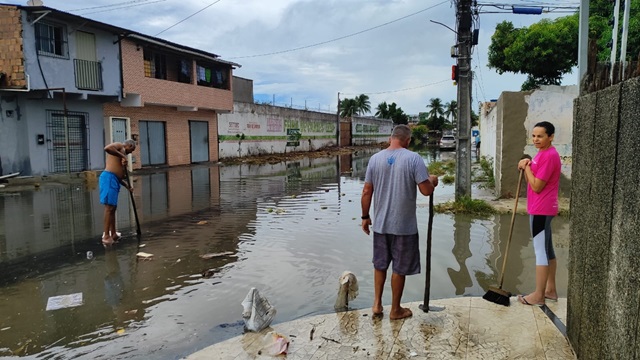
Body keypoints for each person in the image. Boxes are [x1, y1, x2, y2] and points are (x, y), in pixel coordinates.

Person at [360, 125, 439, 320]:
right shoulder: (414, 159)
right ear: (408, 140)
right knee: (399, 268)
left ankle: (377, 304)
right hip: (404, 227)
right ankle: (395, 310)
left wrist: (364, 217)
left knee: (380, 265)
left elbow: (366, 191)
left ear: (390, 138)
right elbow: (426, 191)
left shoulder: (374, 159)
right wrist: (432, 180)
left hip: (380, 225)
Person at [516, 121, 561, 306]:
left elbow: (537, 185)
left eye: (540, 136)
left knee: (540, 251)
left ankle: (539, 295)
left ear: (550, 137)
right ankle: (550, 290)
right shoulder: (541, 154)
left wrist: (526, 167)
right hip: (540, 207)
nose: (535, 139)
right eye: (533, 136)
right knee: (548, 249)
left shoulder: (549, 156)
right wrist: (526, 165)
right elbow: (531, 180)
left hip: (541, 210)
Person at [100, 140, 136, 245]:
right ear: (129, 145)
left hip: (115, 180)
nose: (131, 153)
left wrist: (127, 186)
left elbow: (120, 176)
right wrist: (123, 156)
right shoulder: (120, 146)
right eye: (132, 150)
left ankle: (114, 233)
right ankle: (106, 236)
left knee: (113, 208)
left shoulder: (122, 155)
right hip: (108, 178)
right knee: (109, 208)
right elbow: (107, 148)